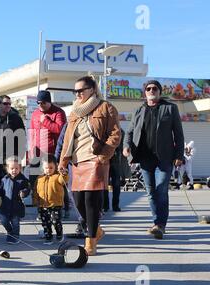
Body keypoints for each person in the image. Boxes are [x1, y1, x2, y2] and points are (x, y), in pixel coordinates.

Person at [59, 76, 121, 256]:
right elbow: (67, 140)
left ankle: (91, 241)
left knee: (90, 202)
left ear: (92, 89)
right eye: (75, 91)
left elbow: (115, 135)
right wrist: (63, 161)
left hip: (96, 160)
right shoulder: (74, 112)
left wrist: (104, 155)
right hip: (77, 162)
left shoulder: (105, 107)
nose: (78, 94)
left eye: (81, 90)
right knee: (78, 201)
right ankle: (97, 229)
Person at [123, 79, 184, 240]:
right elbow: (129, 132)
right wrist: (126, 146)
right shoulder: (139, 110)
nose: (151, 90)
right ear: (145, 92)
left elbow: (178, 134)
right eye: (148, 88)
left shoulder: (170, 108)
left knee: (161, 189)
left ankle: (160, 224)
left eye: (154, 88)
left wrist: (179, 155)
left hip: (165, 158)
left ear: (159, 92)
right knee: (151, 192)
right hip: (145, 158)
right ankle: (156, 223)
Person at [0, 95, 26, 188]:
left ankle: (9, 202)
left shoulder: (16, 118)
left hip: (11, 156)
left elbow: (22, 137)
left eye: (9, 104)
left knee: (12, 183)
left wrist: (20, 154)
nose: (8, 105)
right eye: (5, 103)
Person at [29, 90, 66, 190]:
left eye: (43, 103)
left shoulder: (58, 112)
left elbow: (61, 130)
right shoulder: (35, 113)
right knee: (34, 178)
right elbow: (32, 132)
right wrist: (31, 149)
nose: (41, 105)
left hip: (52, 153)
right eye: (38, 103)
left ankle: (57, 201)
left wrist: (46, 121)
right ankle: (36, 199)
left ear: (49, 101)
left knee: (53, 180)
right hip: (36, 152)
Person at [0, 156, 30, 244]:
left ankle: (15, 236)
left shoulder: (23, 180)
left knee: (15, 223)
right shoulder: (4, 179)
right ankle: (10, 232)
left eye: (16, 168)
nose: (14, 170)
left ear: (20, 168)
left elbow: (27, 189)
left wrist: (24, 192)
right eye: (12, 168)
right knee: (4, 221)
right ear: (7, 169)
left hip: (17, 206)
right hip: (5, 206)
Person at [33, 154, 69, 244]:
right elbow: (35, 190)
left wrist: (64, 173)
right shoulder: (39, 178)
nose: (48, 170)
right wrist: (35, 200)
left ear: (55, 167)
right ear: (42, 168)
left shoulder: (57, 177)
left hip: (55, 204)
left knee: (55, 220)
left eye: (51, 168)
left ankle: (59, 233)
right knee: (45, 222)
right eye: (46, 168)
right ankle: (48, 235)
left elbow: (63, 180)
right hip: (42, 204)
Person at [103, 128, 125, 212]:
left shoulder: (120, 131)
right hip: (106, 160)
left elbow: (122, 146)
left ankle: (114, 205)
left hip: (115, 160)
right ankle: (106, 205)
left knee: (116, 184)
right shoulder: (104, 129)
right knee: (105, 184)